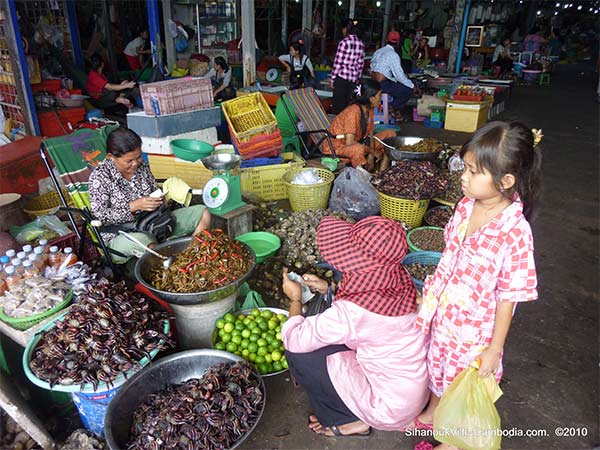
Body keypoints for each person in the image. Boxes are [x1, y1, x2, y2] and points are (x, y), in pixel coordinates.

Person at [410, 122, 542, 447]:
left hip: (473, 333)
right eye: (464, 168)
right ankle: (432, 412)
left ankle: (455, 440)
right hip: (444, 313)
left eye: (472, 171)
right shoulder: (465, 206)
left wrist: (494, 349)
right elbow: (451, 255)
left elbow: (508, 298)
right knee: (436, 364)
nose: (463, 178)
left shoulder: (515, 233)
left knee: (461, 379)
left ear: (506, 181)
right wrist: (430, 300)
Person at [281, 215, 430, 437]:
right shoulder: (401, 277)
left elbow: (295, 339)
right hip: (412, 394)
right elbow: (368, 295)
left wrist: (295, 299)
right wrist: (327, 287)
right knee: (328, 335)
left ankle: (347, 419)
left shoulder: (352, 313)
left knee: (300, 355)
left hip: (387, 408)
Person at [89, 128, 211, 263]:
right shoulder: (100, 177)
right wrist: (132, 207)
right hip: (120, 235)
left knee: (203, 213)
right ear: (110, 157)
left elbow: (154, 192)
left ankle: (190, 256)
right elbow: (99, 215)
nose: (135, 163)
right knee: (149, 245)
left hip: (154, 223)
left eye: (138, 157)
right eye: (129, 161)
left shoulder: (142, 167)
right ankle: (170, 267)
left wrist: (159, 199)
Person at [325, 79, 393, 172]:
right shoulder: (353, 112)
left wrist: (371, 155)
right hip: (337, 147)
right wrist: (372, 151)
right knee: (359, 149)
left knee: (390, 135)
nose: (381, 98)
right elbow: (349, 143)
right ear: (371, 98)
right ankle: (363, 175)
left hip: (359, 142)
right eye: (379, 95)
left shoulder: (370, 109)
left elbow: (371, 135)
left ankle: (383, 171)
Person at [370, 31, 417, 122]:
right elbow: (399, 75)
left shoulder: (378, 51)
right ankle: (392, 108)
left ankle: (393, 110)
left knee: (397, 86)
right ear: (398, 42)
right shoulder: (393, 55)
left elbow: (373, 67)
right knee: (408, 90)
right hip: (383, 84)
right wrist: (412, 85)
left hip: (374, 82)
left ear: (387, 40)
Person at [330, 18, 365, 114]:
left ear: (345, 29)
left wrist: (332, 79)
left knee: (339, 107)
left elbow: (338, 63)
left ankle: (339, 127)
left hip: (342, 78)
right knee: (349, 106)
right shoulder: (361, 43)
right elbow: (360, 64)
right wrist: (357, 79)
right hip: (353, 80)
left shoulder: (344, 42)